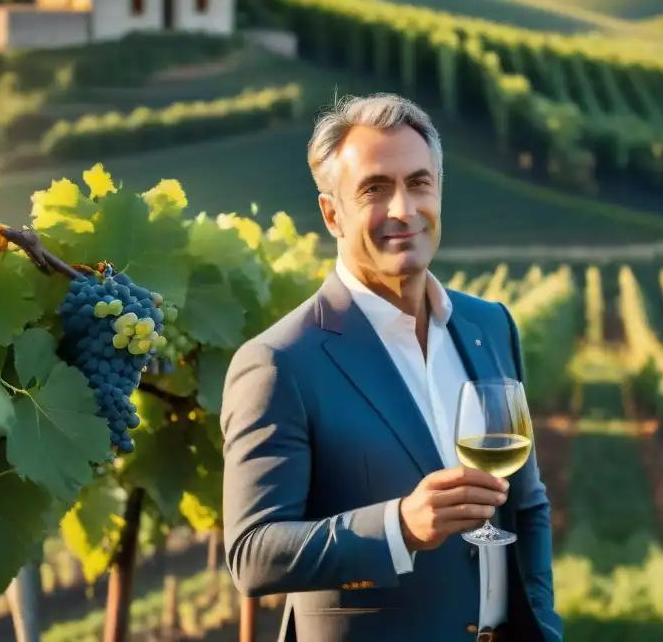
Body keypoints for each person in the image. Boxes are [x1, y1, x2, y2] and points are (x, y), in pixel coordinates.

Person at [220, 93, 563, 642]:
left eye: (419, 183)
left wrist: (544, 624)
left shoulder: (490, 325)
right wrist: (399, 526)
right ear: (333, 213)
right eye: (375, 189)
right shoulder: (280, 362)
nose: (403, 208)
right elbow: (253, 554)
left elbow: (528, 503)